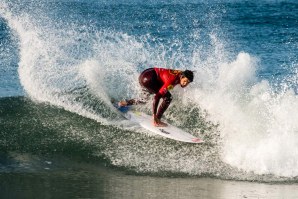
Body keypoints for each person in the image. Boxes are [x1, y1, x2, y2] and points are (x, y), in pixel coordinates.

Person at [118, 67, 194, 127]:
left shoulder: (182, 74)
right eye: (185, 81)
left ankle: (123, 103)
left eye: (188, 83)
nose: (185, 84)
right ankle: (157, 120)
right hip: (149, 79)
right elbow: (157, 97)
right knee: (168, 98)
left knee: (144, 100)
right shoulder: (172, 80)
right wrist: (154, 115)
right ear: (181, 77)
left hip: (145, 74)